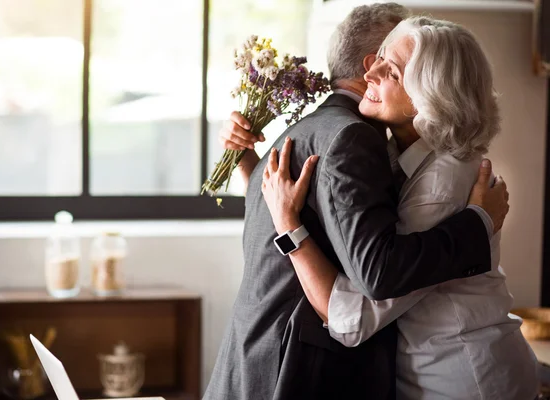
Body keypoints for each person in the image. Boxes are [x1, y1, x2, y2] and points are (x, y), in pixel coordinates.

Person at [204, 5, 510, 400]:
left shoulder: (321, 131)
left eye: (392, 67)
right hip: (287, 362)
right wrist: (477, 225)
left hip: (461, 372)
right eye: (380, 57)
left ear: (426, 89)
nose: (373, 73)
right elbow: (368, 268)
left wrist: (479, 222)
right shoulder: (354, 138)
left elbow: (366, 289)